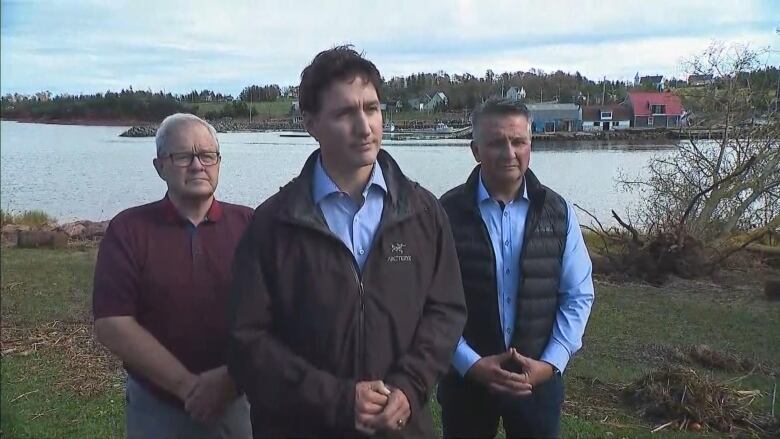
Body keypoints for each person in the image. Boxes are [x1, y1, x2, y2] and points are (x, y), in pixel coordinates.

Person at [227, 46, 467, 438]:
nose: (364, 126)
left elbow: (446, 313)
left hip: (402, 428)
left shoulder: (423, 213)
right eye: (344, 113)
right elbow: (247, 342)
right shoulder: (273, 223)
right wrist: (336, 398)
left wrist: (410, 386)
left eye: (371, 108)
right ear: (310, 123)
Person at [437, 98, 595, 438]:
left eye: (518, 141)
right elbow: (428, 301)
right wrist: (469, 363)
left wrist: (551, 363)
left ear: (530, 145)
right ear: (475, 149)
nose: (509, 152)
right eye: (496, 142)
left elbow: (577, 294)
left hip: (537, 383)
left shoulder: (559, 212)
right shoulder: (443, 214)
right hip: (466, 384)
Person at [93, 113, 253, 439]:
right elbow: (112, 323)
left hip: (237, 400)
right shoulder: (129, 229)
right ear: (159, 166)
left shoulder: (251, 226)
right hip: (157, 406)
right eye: (183, 156)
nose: (198, 165)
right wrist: (187, 386)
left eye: (207, 155)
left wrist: (229, 379)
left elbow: (277, 314)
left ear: (218, 162)